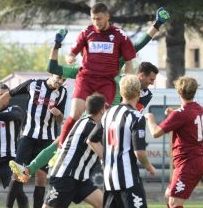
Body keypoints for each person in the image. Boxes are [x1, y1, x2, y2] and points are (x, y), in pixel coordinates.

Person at [10, 61, 160, 182]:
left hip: (109, 126)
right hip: (92, 119)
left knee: (92, 157)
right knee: (60, 142)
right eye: (151, 79)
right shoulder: (118, 79)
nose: (152, 83)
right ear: (141, 75)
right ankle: (32, 168)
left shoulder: (144, 93)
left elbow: (129, 110)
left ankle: (55, 166)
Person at [58, 2, 137, 146]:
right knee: (75, 113)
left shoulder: (119, 35)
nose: (96, 22)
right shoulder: (87, 32)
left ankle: (104, 149)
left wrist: (128, 80)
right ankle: (62, 146)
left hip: (106, 82)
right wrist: (69, 57)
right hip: (86, 79)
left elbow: (129, 61)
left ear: (107, 16)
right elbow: (71, 52)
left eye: (99, 18)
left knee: (104, 117)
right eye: (93, 18)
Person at [0, 74, 67, 208]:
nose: (60, 82)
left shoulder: (62, 92)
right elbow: (9, 94)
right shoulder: (32, 84)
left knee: (41, 178)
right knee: (18, 173)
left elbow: (61, 120)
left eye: (63, 80)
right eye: (59, 77)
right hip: (28, 137)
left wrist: (59, 114)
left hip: (47, 139)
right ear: (51, 73)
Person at [88, 75, 156, 208]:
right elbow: (139, 152)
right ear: (138, 92)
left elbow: (91, 140)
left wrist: (107, 158)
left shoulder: (108, 113)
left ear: (121, 91)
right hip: (128, 179)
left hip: (109, 179)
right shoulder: (136, 116)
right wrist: (149, 166)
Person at [145, 76, 203, 208]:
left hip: (188, 163)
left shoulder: (180, 114)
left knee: (174, 202)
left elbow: (155, 132)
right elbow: (188, 119)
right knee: (169, 197)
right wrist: (174, 113)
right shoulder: (199, 109)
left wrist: (150, 118)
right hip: (196, 161)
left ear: (179, 92)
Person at [41, 94, 106, 208]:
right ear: (102, 110)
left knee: (106, 205)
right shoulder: (91, 127)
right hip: (65, 176)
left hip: (80, 178)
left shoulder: (83, 121)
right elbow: (94, 143)